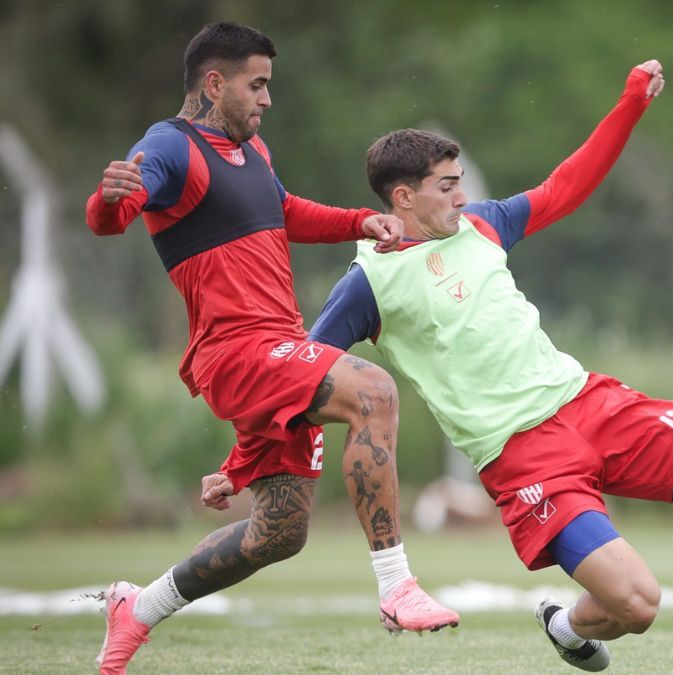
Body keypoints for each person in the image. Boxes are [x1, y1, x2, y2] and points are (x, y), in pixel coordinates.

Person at [259, 59, 673, 670]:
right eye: (446, 186)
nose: (462, 196)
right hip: (522, 457)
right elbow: (304, 377)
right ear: (402, 197)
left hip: (587, 402)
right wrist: (243, 460)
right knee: (638, 606)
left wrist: (631, 104)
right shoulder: (369, 282)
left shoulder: (484, 224)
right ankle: (567, 625)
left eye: (461, 181)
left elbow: (569, 184)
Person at [85, 22, 457, 674]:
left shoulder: (252, 154)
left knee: (278, 532)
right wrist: (106, 204)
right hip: (234, 351)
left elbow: (283, 212)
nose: (267, 99)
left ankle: (136, 608)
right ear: (214, 83)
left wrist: (358, 221)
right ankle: (397, 586)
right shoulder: (170, 146)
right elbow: (121, 209)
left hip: (278, 349)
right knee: (373, 390)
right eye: (257, 85)